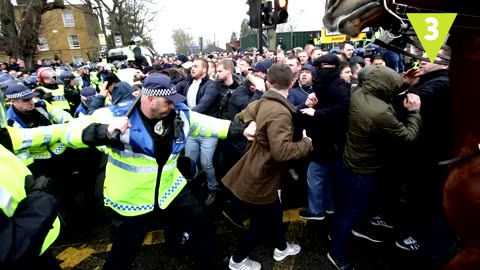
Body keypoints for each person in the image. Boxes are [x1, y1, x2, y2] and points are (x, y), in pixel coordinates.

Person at [60, 73, 244, 270]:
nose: (173, 105)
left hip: (171, 188)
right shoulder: (115, 115)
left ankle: (210, 261)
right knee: (124, 250)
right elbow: (68, 133)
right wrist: (105, 131)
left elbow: (204, 123)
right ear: (150, 99)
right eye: (168, 102)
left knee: (199, 222)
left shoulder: (178, 113)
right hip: (133, 199)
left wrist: (238, 130)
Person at [222, 64, 313, 270]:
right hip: (262, 175)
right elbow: (282, 152)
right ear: (291, 83)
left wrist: (249, 125)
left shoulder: (263, 102)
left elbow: (238, 118)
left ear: (268, 83)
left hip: (259, 171)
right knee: (261, 223)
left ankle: (281, 248)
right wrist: (306, 144)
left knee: (273, 213)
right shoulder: (280, 112)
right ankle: (237, 261)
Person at [0, 89, 62, 270]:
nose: (30, 102)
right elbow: (9, 247)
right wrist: (39, 203)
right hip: (24, 250)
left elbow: (52, 128)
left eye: (31, 98)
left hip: (35, 239)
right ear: (13, 102)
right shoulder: (12, 123)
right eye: (25, 100)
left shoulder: (40, 108)